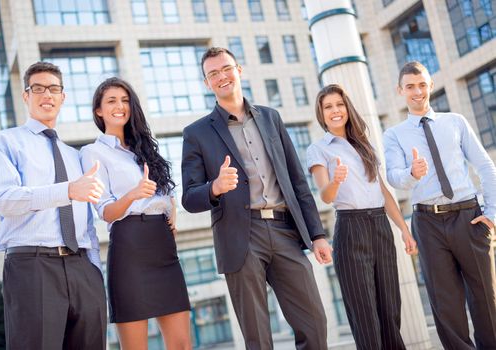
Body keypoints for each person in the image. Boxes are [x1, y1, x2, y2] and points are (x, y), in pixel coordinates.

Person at [181, 47, 332, 350]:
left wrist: (317, 234)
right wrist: (215, 187)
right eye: (213, 74)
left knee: (314, 323)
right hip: (241, 236)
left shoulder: (271, 118)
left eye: (226, 69)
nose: (221, 76)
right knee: (258, 337)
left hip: (285, 230)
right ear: (206, 83)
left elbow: (297, 180)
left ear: (239, 70)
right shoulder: (196, 133)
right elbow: (189, 197)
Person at [0, 62, 107, 349]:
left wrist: (94, 274)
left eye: (53, 89)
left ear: (63, 97)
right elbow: (6, 200)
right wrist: (68, 190)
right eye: (37, 88)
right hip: (32, 266)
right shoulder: (4, 142)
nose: (46, 94)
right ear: (26, 96)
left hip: (81, 268)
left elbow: (85, 224)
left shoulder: (76, 156)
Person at [383, 61, 496, 349]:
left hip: (469, 217)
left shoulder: (455, 121)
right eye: (410, 86)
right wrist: (412, 173)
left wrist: (492, 214)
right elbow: (394, 177)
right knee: (446, 307)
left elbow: (485, 166)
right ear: (400, 91)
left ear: (430, 86)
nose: (417, 91)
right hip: (428, 223)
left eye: (422, 84)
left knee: (487, 297)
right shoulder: (394, 134)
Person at [80, 77, 191, 350]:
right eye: (112, 101)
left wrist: (171, 213)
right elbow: (105, 211)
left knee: (182, 346)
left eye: (125, 100)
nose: (120, 106)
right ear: (98, 110)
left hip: (163, 247)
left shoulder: (144, 150)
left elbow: (165, 196)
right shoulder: (93, 152)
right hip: (129, 247)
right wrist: (132, 194)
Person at [306, 84, 417, 350]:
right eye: (328, 107)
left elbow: (383, 191)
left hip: (380, 225)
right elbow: (325, 195)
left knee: (390, 310)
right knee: (365, 315)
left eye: (339, 104)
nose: (335, 111)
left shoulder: (364, 145)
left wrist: (403, 229)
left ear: (347, 108)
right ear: (321, 114)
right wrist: (335, 181)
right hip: (350, 228)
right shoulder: (318, 149)